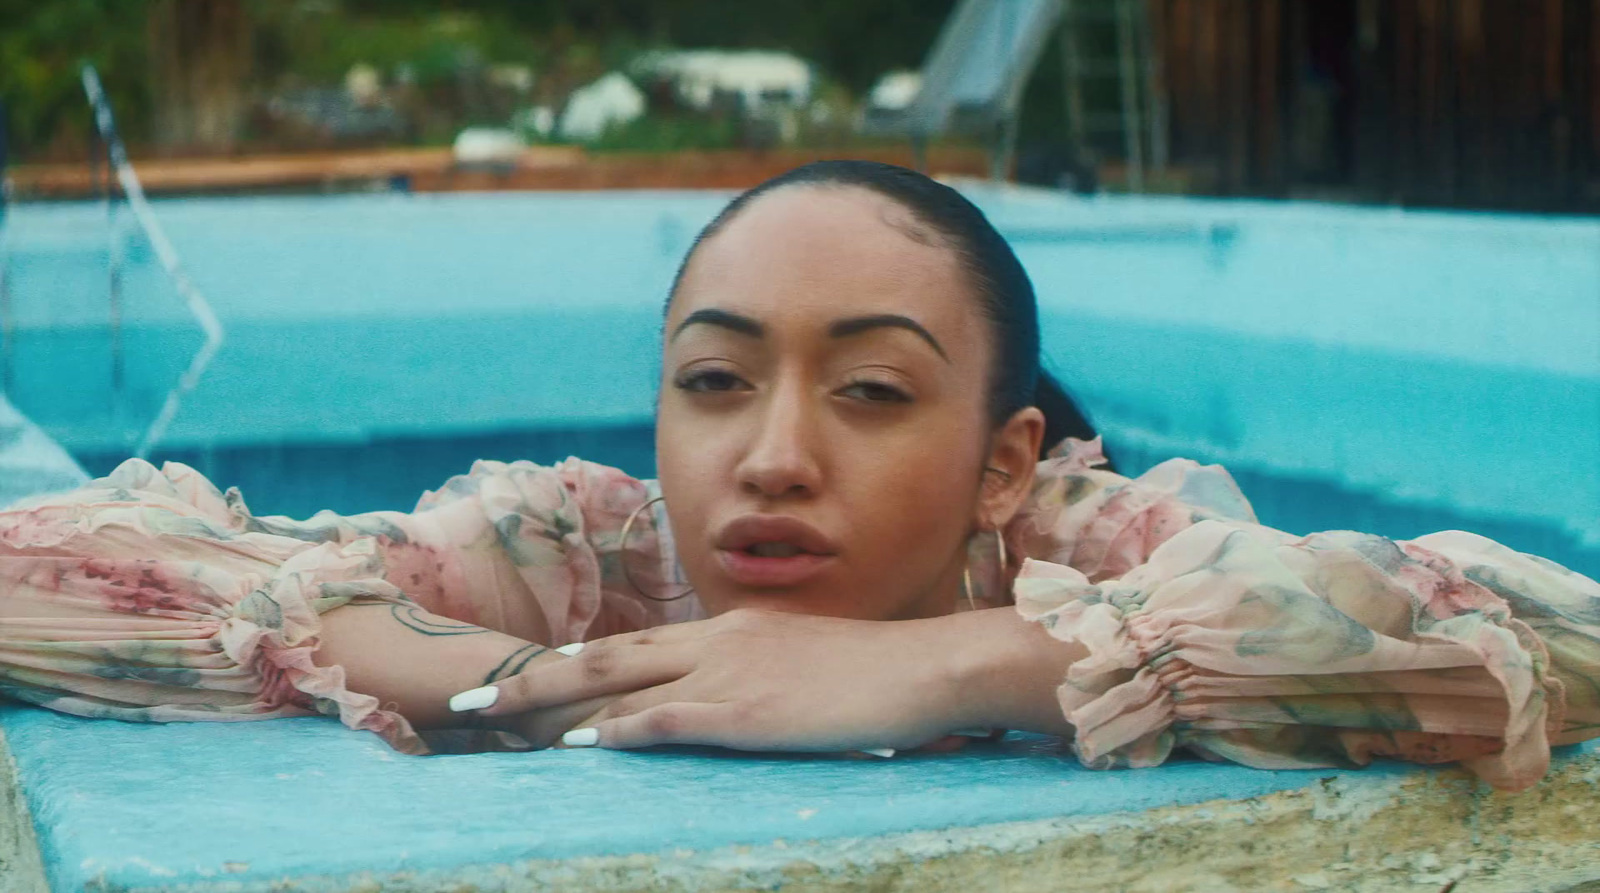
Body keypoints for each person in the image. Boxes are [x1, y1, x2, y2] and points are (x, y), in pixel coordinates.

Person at [2, 161, 1596, 792]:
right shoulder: (592, 549)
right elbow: (51, 559)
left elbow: (1526, 632)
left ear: (1005, 459)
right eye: (713, 380)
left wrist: (955, 660)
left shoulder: (1082, 535)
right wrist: (532, 679)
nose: (768, 453)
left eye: (875, 389)